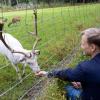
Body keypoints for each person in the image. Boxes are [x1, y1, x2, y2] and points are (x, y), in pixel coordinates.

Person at [36, 28, 100, 100]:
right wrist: (83, 83)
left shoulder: (85, 68)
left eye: (82, 44)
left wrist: (47, 73)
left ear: (92, 47)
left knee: (68, 88)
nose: (81, 47)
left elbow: (66, 74)